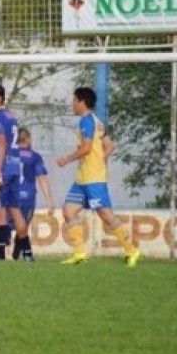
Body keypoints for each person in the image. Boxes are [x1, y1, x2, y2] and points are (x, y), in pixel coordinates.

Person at [56, 87, 140, 267]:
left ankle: (132, 250)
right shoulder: (97, 121)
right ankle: (80, 253)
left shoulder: (86, 121)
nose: (72, 104)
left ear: (81, 102)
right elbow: (110, 146)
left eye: (74, 100)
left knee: (106, 216)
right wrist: (100, 161)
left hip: (93, 179)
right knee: (68, 211)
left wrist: (66, 159)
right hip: (83, 178)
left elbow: (86, 149)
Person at [0, 84, 32, 261]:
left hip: (3, 167)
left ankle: (0, 253)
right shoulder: (11, 115)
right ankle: (27, 253)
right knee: (15, 209)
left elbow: (2, 142)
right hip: (15, 165)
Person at [11, 127, 56, 261]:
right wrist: (50, 201)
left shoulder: (10, 154)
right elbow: (41, 178)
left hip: (12, 195)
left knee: (19, 227)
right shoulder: (35, 157)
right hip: (28, 196)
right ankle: (27, 254)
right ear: (28, 139)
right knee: (23, 226)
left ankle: (15, 254)